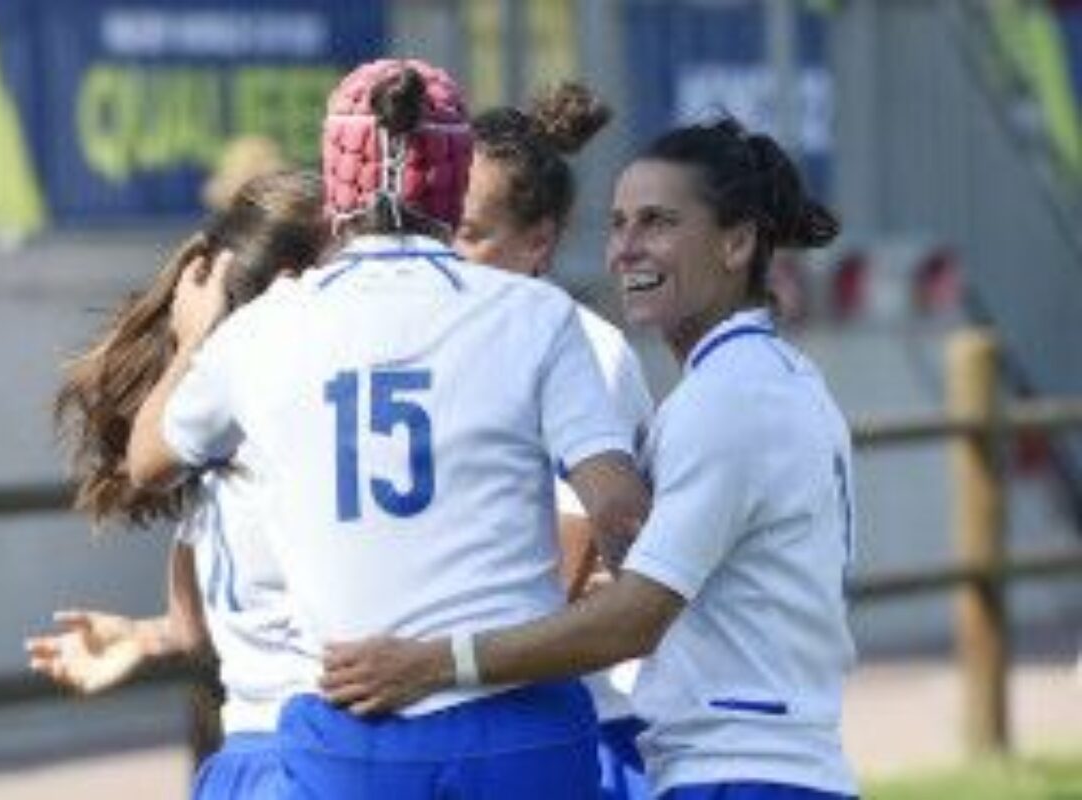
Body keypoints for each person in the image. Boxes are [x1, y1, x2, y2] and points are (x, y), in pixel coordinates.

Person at [126, 58, 649, 799]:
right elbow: (621, 513)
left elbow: (147, 460)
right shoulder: (535, 314)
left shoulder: (269, 327)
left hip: (354, 730)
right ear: (454, 173)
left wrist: (190, 343)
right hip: (517, 728)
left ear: (335, 186)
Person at [322, 116, 861, 800]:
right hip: (761, 766)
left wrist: (432, 665)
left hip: (740, 773)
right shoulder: (766, 378)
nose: (625, 251)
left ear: (738, 241)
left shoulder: (726, 398)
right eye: (618, 225)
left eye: (658, 222)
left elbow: (635, 615)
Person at [26, 168, 327, 798]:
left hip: (251, 761)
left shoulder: (219, 442)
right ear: (290, 290)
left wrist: (145, 635)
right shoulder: (308, 435)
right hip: (321, 757)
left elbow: (194, 623)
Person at [455, 81, 655, 799]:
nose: (448, 253)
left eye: (472, 235)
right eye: (439, 225)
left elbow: (563, 567)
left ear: (539, 242)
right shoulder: (442, 344)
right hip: (496, 701)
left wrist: (428, 653)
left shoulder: (583, 350)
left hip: (594, 720)